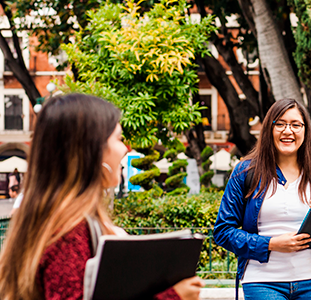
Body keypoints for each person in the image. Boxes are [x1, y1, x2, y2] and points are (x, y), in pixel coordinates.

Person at [0, 94, 204, 300]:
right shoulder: (69, 233)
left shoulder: (56, 221)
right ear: (91, 150)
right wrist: (173, 297)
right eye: (118, 138)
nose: (125, 149)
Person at [213, 99, 311, 300]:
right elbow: (223, 232)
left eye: (296, 124)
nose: (288, 131)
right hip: (262, 281)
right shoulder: (245, 172)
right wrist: (270, 244)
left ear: (305, 131)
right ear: (269, 129)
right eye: (280, 124)